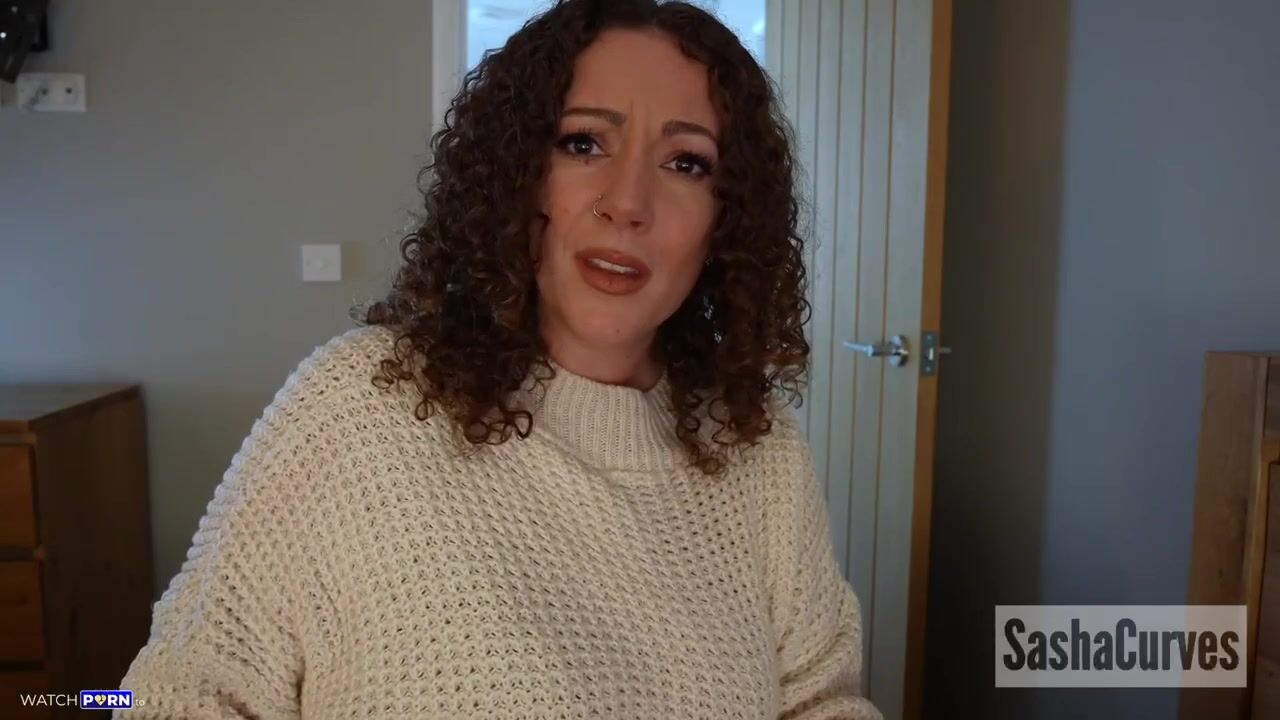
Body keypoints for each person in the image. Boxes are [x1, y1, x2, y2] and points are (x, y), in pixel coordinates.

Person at [116, 0, 882, 718]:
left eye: (687, 163)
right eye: (583, 143)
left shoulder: (758, 449)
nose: (628, 203)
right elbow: (176, 697)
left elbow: (822, 701)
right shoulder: (359, 406)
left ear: (727, 221)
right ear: (516, 176)